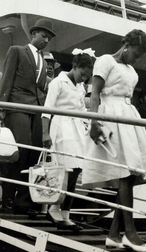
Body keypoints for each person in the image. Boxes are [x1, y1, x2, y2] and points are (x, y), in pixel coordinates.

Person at [83, 29, 146, 252]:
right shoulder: (105, 61)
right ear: (127, 46)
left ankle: (114, 234)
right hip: (110, 117)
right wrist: (94, 123)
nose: (138, 58)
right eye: (137, 52)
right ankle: (131, 234)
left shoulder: (132, 70)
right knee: (125, 173)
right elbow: (94, 95)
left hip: (128, 117)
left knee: (131, 174)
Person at [0, 19, 55, 216]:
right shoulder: (17, 50)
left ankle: (23, 201)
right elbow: (7, 79)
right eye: (43, 36)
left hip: (37, 108)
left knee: (33, 154)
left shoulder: (45, 62)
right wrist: (0, 107)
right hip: (17, 105)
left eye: (48, 38)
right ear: (34, 34)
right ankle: (8, 198)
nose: (46, 40)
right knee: (20, 149)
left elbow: (41, 88)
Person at [42, 48, 95, 231]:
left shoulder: (81, 87)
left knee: (76, 169)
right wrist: (45, 133)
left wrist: (93, 124)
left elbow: (81, 110)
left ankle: (66, 213)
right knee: (64, 170)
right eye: (82, 74)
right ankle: (54, 208)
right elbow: (47, 109)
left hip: (77, 129)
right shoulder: (58, 82)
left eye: (87, 77)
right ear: (74, 66)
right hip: (61, 128)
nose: (84, 79)